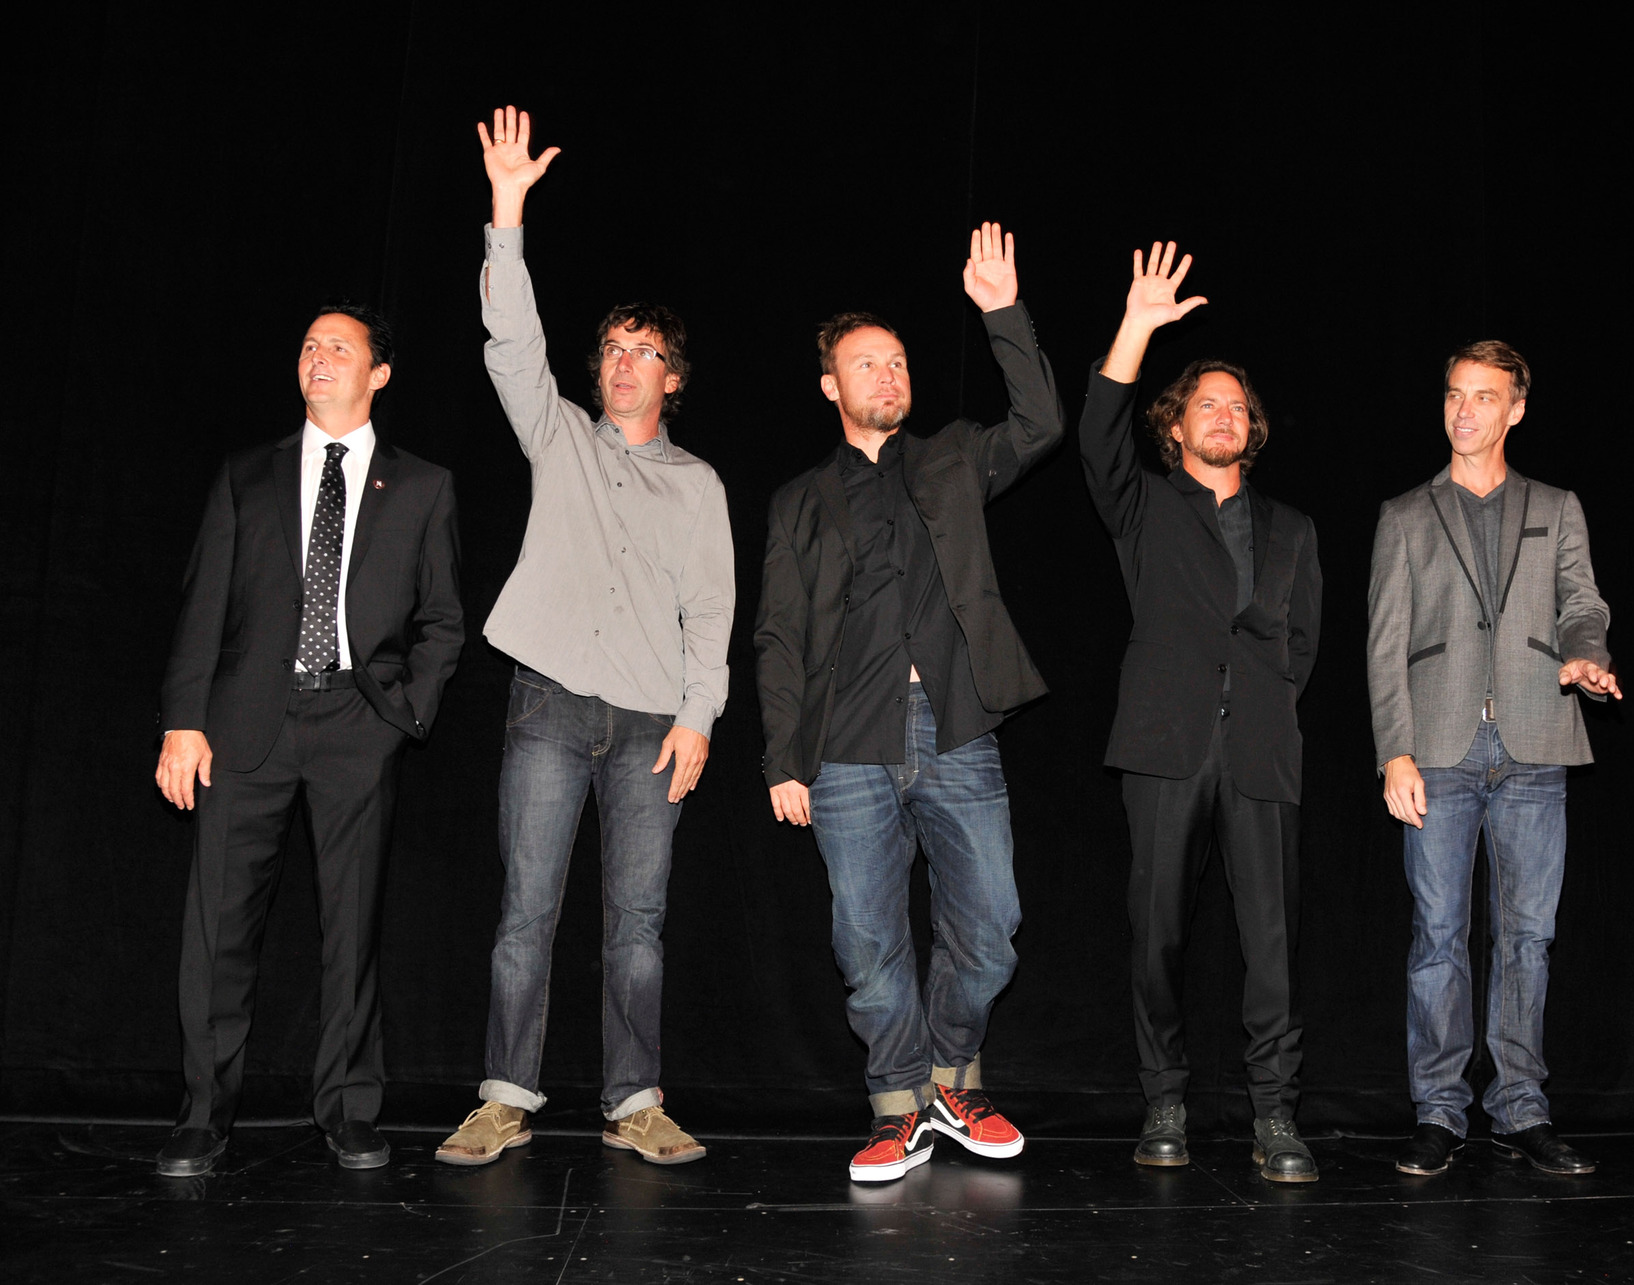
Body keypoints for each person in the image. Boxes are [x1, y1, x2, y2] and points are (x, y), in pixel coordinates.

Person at [435, 105, 735, 1169]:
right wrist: (506, 210)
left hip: (653, 721)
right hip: (549, 704)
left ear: (673, 377)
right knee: (525, 911)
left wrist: (700, 719)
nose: (622, 362)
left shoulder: (698, 485)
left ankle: (634, 1101)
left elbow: (711, 614)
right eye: (612, 348)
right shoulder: (557, 434)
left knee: (637, 924)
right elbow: (513, 344)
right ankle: (504, 1097)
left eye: (644, 352)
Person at [754, 223, 1062, 1183]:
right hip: (845, 741)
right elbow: (778, 635)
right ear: (830, 387)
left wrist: (1002, 312)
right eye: (866, 364)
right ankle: (898, 1105)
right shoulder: (800, 500)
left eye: (897, 362)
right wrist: (781, 758)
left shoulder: (955, 456)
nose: (887, 375)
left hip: (957, 725)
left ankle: (951, 1077)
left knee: (993, 922)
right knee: (867, 939)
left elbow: (1042, 423)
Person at [153, 302, 463, 1176]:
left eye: (339, 347)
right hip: (243, 724)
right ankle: (203, 1114)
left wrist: (401, 714)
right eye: (309, 345)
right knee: (218, 929)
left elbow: (443, 618)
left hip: (355, 727)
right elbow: (202, 606)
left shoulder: (424, 485)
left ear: (379, 373)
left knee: (351, 928)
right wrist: (182, 720)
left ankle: (350, 1109)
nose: (319, 357)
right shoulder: (246, 475)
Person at [1075, 243, 1323, 1183]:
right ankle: (1165, 1100)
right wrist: (1137, 326)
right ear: (1174, 425)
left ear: (1251, 430)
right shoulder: (1144, 504)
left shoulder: (1293, 527)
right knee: (1158, 937)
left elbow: (1303, 644)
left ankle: (1275, 1114)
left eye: (1236, 407)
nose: (1223, 415)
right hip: (1164, 743)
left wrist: (1263, 708)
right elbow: (1097, 431)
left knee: (1273, 945)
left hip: (1261, 750)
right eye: (1205, 404)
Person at [1367, 340, 1618, 1177]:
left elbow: (1582, 601)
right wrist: (1394, 751)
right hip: (1437, 749)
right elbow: (1384, 645)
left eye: (1483, 396)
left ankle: (1520, 1108)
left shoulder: (1557, 505)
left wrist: (1586, 652)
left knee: (1528, 937)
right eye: (1454, 394)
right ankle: (1440, 1110)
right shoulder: (1406, 513)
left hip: (1535, 741)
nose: (1464, 409)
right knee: (1438, 936)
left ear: (1516, 409)